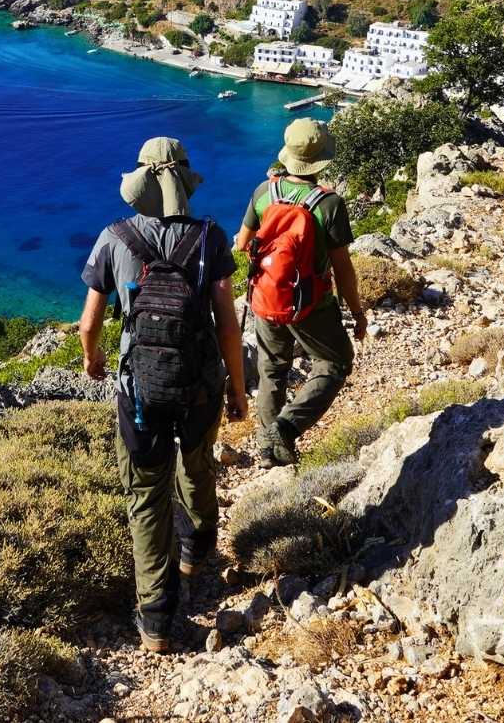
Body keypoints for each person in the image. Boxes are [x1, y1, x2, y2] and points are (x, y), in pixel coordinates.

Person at [79, 137, 247, 653]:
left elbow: (89, 324)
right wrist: (238, 390)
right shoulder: (210, 236)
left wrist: (96, 361)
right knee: (195, 466)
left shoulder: (115, 237)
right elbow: (227, 326)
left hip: (139, 391)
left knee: (146, 496)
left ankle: (155, 618)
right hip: (199, 385)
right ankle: (197, 555)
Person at [233, 117, 365, 468]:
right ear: (322, 159)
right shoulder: (329, 205)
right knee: (335, 362)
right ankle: (285, 430)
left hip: (265, 297)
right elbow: (342, 268)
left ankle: (268, 447)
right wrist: (357, 311)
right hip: (312, 305)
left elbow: (242, 244)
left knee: (272, 369)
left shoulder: (264, 193)